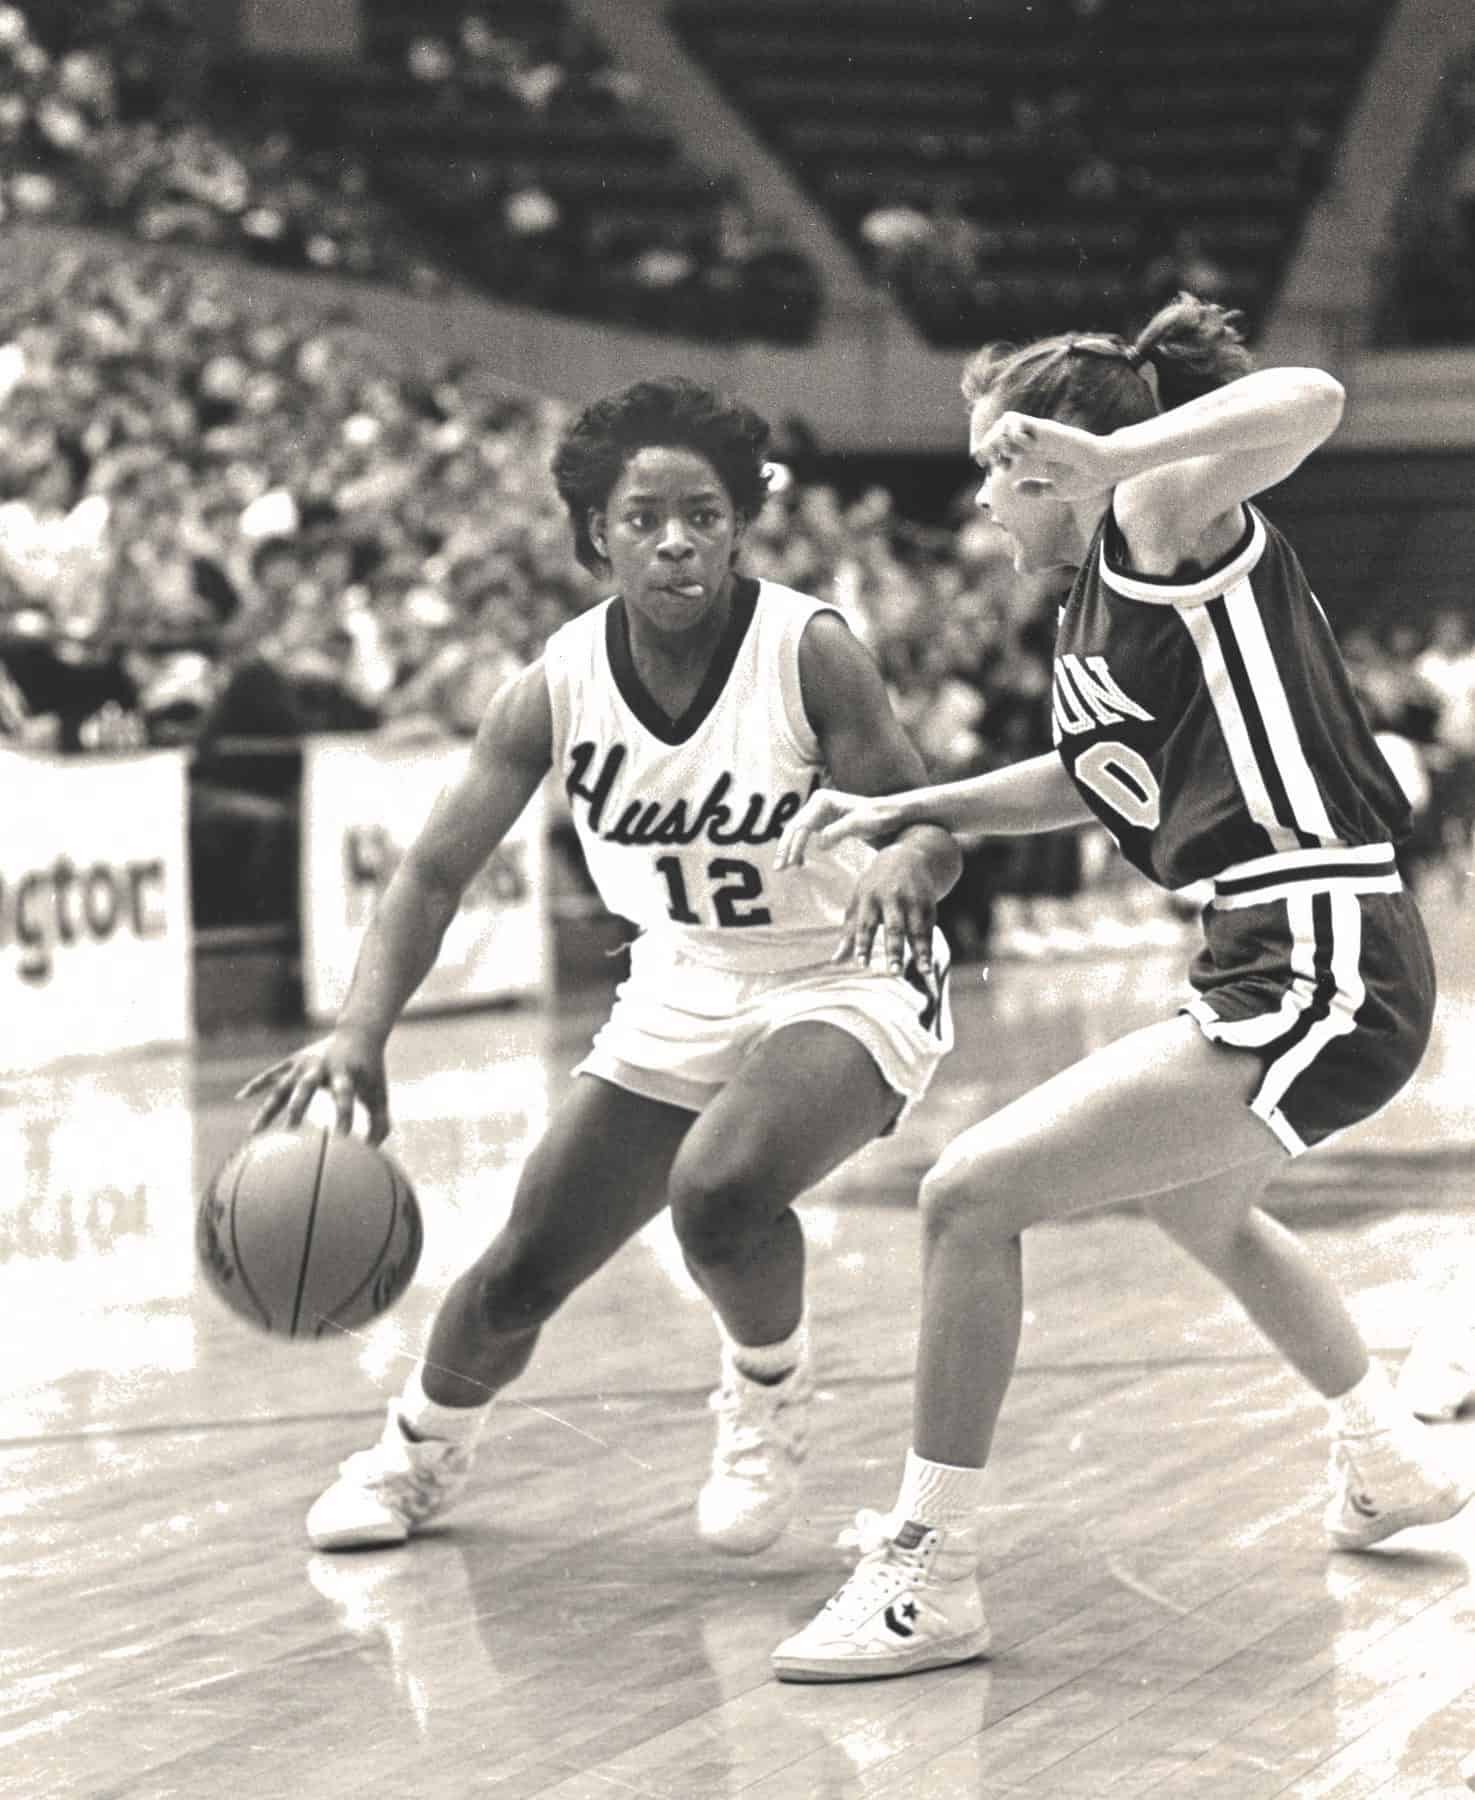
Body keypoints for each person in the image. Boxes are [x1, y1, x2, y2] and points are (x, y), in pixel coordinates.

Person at [766, 294, 1470, 1683]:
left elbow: (1313, 399)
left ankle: (928, 1572)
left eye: (993, 469)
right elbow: (1087, 779)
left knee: (966, 1196)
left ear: (1059, 466)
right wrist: (908, 811)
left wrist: (1113, 461)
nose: (981, 500)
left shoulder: (1150, 527)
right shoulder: (1101, 606)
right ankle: (1384, 1456)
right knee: (1196, 1205)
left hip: (1313, 947)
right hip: (1271, 948)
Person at [240, 377, 961, 1556]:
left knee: (718, 1196)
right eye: (643, 519)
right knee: (520, 1270)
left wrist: (906, 866)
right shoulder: (558, 682)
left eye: (702, 515)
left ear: (737, 528)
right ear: (594, 537)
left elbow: (927, 826)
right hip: (681, 976)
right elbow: (429, 872)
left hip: (846, 967)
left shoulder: (809, 650)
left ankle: (766, 1395)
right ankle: (415, 1452)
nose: (674, 541)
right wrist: (359, 1033)